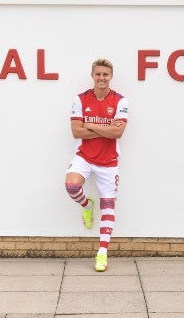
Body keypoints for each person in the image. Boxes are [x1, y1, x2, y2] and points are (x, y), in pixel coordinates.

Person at [65, 58, 128, 272]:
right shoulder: (80, 99)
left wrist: (89, 124)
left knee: (109, 206)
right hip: (84, 156)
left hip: (109, 162)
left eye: (106, 75)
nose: (102, 78)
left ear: (111, 77)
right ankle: (87, 205)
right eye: (98, 74)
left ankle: (102, 252)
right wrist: (104, 128)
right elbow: (76, 131)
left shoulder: (120, 101)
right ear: (92, 76)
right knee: (72, 186)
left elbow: (118, 132)